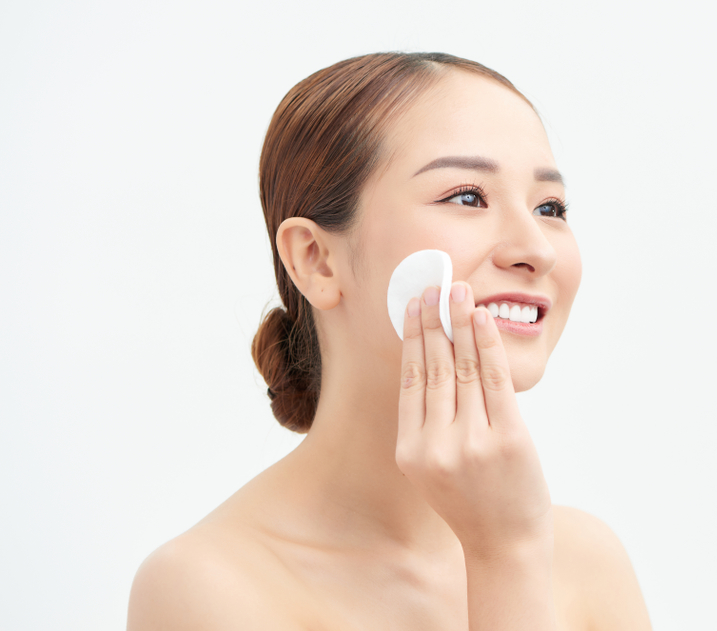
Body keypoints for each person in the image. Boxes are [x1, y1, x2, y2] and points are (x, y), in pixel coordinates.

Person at [127, 52, 652, 630]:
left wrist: (512, 551)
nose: (538, 249)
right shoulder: (206, 588)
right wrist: (504, 557)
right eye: (467, 196)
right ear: (317, 259)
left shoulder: (587, 564)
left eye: (550, 207)